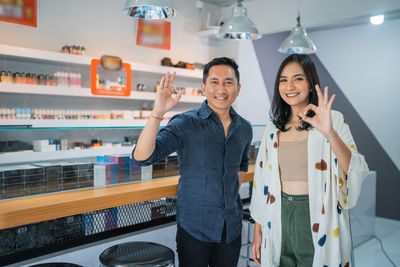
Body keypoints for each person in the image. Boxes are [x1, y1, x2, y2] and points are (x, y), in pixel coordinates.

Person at [250, 54, 369, 267]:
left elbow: (356, 169)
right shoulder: (272, 129)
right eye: (283, 80)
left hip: (316, 214)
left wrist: (329, 133)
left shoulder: (333, 120)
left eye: (298, 78)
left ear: (311, 84)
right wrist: (258, 230)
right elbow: (261, 183)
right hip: (278, 214)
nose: (290, 86)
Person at [132, 57, 253, 267]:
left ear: (238, 88)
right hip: (194, 227)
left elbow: (242, 166)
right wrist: (158, 113)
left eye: (228, 82)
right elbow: (142, 157)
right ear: (204, 87)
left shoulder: (244, 128)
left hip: (231, 229)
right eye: (214, 82)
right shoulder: (186, 123)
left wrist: (227, 191)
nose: (221, 89)